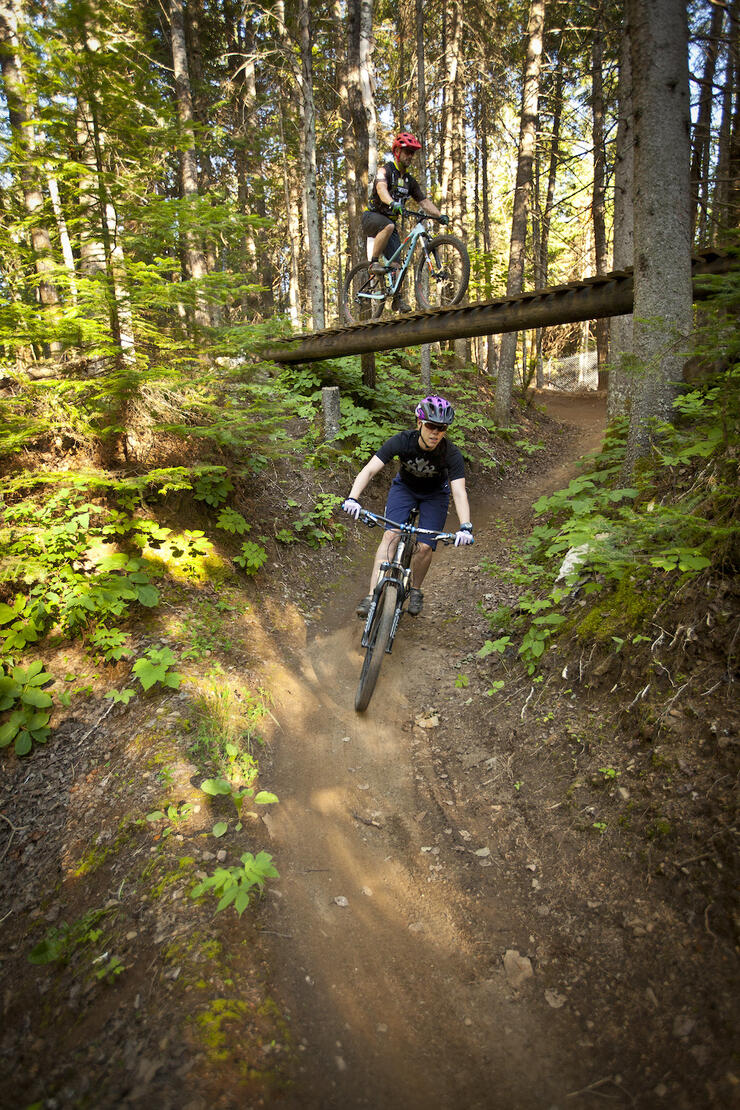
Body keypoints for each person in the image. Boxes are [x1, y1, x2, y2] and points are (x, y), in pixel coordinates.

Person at [341, 395, 474, 618]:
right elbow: (370, 470)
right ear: (419, 423)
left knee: (423, 547)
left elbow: (459, 492)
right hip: (405, 489)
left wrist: (465, 526)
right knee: (390, 536)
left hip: (435, 496)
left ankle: (416, 590)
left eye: (442, 428)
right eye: (431, 426)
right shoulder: (402, 441)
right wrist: (353, 498)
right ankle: (372, 595)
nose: (436, 433)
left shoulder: (451, 453)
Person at [361, 132, 447, 314]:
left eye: (412, 153)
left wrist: (439, 215)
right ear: (397, 152)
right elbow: (381, 188)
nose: (410, 156)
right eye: (407, 152)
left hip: (388, 224)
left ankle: (396, 299)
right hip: (372, 217)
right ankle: (374, 262)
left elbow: (423, 202)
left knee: (397, 265)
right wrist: (391, 202)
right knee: (389, 225)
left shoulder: (409, 181)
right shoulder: (386, 171)